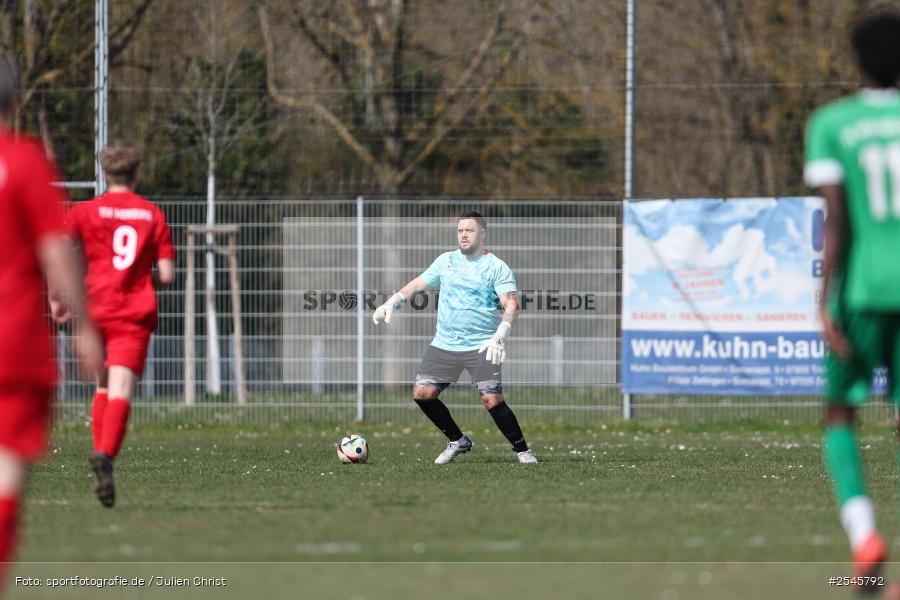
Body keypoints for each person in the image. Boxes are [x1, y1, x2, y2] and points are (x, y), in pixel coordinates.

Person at [804, 6, 900, 592]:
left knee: (840, 412)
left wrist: (824, 299)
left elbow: (836, 220)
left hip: (863, 289)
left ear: (857, 61)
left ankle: (865, 536)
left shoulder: (833, 123)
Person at [0, 57, 103, 584]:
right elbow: (54, 246)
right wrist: (80, 323)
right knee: (5, 473)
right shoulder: (24, 160)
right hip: (13, 343)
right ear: (14, 101)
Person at [59, 141, 175, 508]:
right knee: (121, 389)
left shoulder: (84, 212)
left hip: (95, 310)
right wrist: (141, 279)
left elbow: (58, 251)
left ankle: (100, 451)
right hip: (132, 313)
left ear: (104, 174)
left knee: (103, 385)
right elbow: (167, 275)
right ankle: (105, 454)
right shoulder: (152, 214)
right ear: (136, 174)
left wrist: (59, 296)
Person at [373, 211, 536, 464]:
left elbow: (511, 304)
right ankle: (457, 441)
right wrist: (391, 303)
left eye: (469, 230)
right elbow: (417, 285)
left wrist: (499, 336)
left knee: (492, 399)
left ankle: (523, 451)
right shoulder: (445, 261)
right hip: (444, 345)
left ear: (482, 233)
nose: (463, 235)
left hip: (482, 345)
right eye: (460, 230)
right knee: (422, 393)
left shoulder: (496, 266)